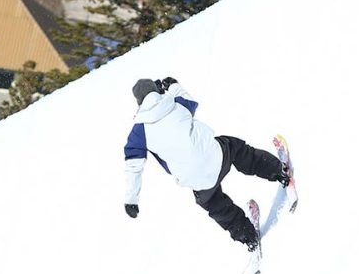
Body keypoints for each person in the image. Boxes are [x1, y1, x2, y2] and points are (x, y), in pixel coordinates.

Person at [122, 77, 290, 252]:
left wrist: (131, 200)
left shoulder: (138, 131)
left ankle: (247, 236)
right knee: (240, 151)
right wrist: (173, 85)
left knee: (216, 205)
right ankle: (278, 170)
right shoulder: (175, 104)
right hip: (217, 155)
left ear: (139, 102)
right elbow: (192, 102)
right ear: (156, 91)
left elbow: (134, 166)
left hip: (196, 179)